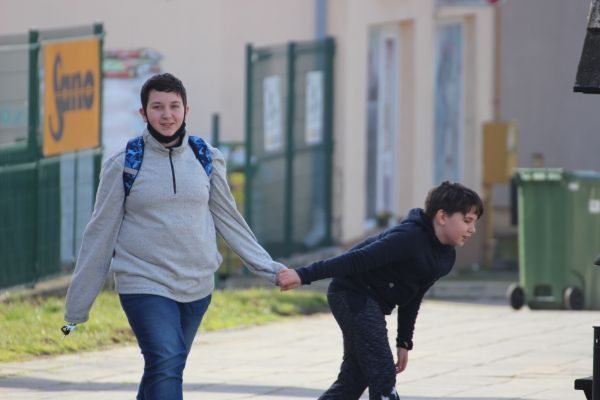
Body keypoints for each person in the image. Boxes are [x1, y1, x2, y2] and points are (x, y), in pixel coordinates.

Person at [63, 73, 286, 400]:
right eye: (157, 107)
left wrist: (269, 268)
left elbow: (230, 219)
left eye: (174, 106)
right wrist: (77, 306)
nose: (166, 115)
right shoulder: (124, 164)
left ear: (186, 110)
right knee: (166, 359)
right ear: (143, 113)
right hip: (144, 280)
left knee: (165, 367)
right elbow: (100, 233)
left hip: (197, 284)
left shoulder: (206, 157)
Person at [277, 181, 483, 400]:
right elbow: (356, 259)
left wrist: (404, 341)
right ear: (442, 217)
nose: (472, 229)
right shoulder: (409, 237)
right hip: (351, 293)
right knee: (383, 373)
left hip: (369, 301)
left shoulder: (445, 257)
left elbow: (413, 296)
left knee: (353, 379)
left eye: (474, 222)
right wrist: (303, 275)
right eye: (467, 221)